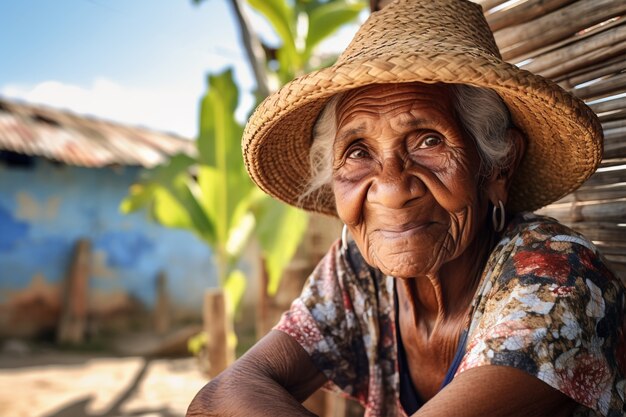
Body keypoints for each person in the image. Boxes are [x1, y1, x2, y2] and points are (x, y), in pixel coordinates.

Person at [187, 0, 625, 416]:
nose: (393, 189)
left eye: (429, 141)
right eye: (358, 151)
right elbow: (219, 398)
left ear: (498, 167)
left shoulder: (559, 281)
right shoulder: (357, 268)